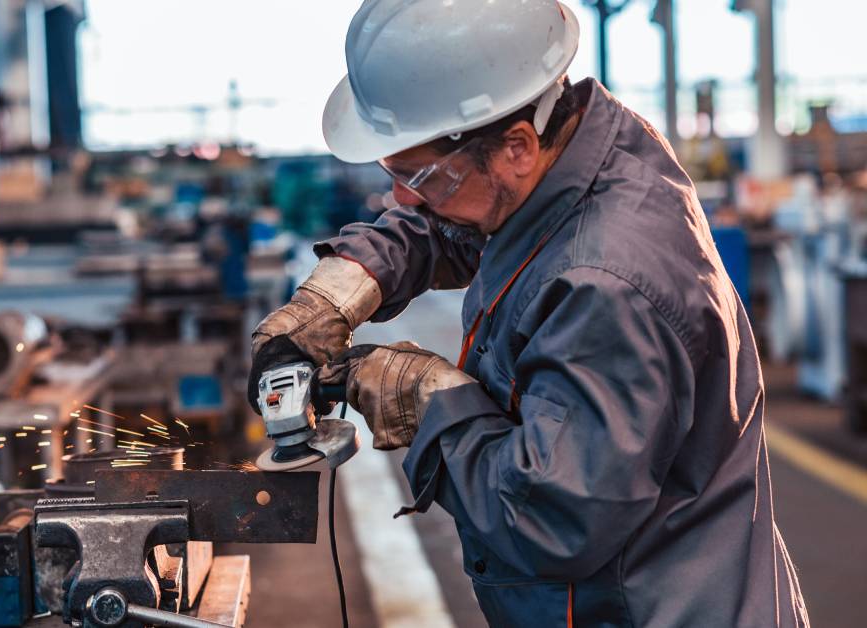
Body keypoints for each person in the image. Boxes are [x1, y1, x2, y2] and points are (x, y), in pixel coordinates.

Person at [248, 1, 808, 625]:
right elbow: (447, 226)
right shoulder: (572, 153)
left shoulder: (607, 287)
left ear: (515, 145)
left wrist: (427, 398)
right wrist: (336, 292)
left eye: (422, 174)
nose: (405, 197)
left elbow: (546, 517)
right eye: (394, 171)